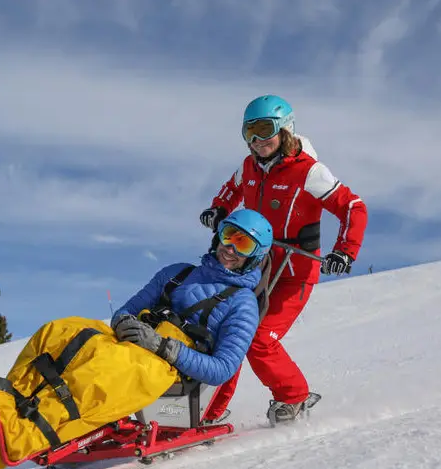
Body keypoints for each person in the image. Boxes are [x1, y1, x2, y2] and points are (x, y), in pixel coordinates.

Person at [199, 94, 368, 425]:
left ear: (285, 129)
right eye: (249, 133)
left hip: (293, 271)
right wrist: (219, 208)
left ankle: (293, 396)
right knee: (226, 328)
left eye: (265, 130)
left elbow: (352, 206)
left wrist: (345, 250)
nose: (257, 141)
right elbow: (231, 189)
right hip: (254, 264)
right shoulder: (248, 166)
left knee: (259, 339)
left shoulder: (308, 171)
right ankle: (208, 411)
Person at [110, 208, 272, 394]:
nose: (230, 249)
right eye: (228, 236)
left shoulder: (243, 303)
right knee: (76, 332)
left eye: (243, 245)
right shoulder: (176, 273)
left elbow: (223, 368)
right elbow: (127, 310)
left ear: (255, 256)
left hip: (169, 376)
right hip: (129, 352)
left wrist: (162, 347)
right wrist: (122, 322)